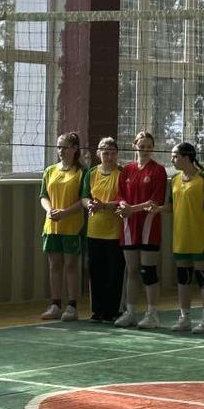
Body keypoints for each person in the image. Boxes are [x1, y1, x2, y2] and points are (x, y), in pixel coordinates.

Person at [153, 142, 204, 334]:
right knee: (183, 277)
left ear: (187, 157)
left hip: (200, 238)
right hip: (181, 237)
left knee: (203, 276)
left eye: (175, 156)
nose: (172, 159)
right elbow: (172, 206)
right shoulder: (175, 180)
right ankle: (185, 318)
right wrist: (158, 209)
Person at [114, 131, 167, 329]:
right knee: (132, 271)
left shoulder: (158, 170)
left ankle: (152, 314)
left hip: (149, 228)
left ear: (152, 148)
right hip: (129, 228)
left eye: (148, 147)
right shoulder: (127, 170)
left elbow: (155, 201)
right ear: (134, 146)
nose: (145, 150)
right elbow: (120, 196)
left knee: (148, 271)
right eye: (141, 146)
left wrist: (131, 209)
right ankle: (130, 312)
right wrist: (123, 206)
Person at [39, 132, 86, 322]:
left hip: (72, 226)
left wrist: (65, 212)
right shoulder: (50, 171)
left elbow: (83, 200)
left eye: (64, 147)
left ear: (74, 149)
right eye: (58, 147)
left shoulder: (81, 172)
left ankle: (72, 306)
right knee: (54, 265)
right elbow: (44, 196)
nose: (61, 150)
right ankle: (55, 305)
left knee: (71, 265)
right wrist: (50, 210)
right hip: (52, 226)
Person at [81, 137, 125, 323]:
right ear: (98, 154)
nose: (109, 156)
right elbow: (84, 197)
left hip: (115, 231)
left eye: (113, 153)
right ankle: (97, 311)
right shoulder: (91, 173)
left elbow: (123, 201)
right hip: (94, 230)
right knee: (96, 271)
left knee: (114, 272)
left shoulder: (121, 173)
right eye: (105, 153)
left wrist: (104, 206)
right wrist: (90, 204)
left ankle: (112, 310)